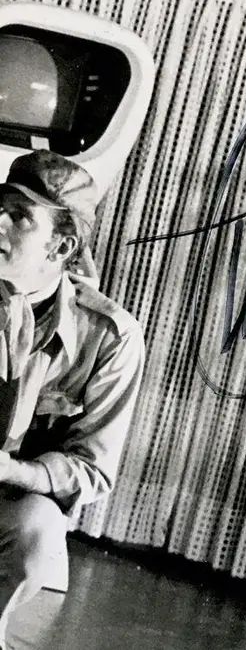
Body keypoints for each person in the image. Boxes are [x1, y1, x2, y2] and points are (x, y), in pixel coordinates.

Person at [0, 150, 144, 648]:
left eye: (19, 217)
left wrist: (11, 471)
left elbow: (92, 469)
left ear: (61, 246)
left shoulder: (109, 337)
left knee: (37, 529)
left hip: (9, 496)